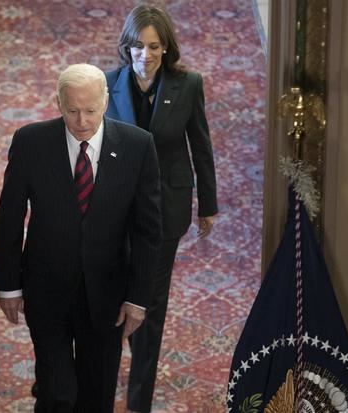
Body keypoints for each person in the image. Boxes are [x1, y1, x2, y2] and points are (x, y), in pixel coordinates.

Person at [0, 63, 162, 413]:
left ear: (105, 102)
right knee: (57, 393)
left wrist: (138, 297)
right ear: (58, 104)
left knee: (96, 395)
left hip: (108, 297)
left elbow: (147, 231)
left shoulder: (138, 147)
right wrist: (8, 285)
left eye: (90, 110)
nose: (82, 121)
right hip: (46, 288)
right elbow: (9, 217)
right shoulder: (30, 142)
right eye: (72, 111)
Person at [105, 5, 219, 413]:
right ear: (127, 46)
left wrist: (208, 203)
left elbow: (200, 146)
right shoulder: (107, 84)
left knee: (150, 304)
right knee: (116, 293)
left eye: (154, 46)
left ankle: (139, 403)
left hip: (166, 210)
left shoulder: (187, 85)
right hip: (117, 211)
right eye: (137, 46)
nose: (145, 54)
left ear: (166, 47)